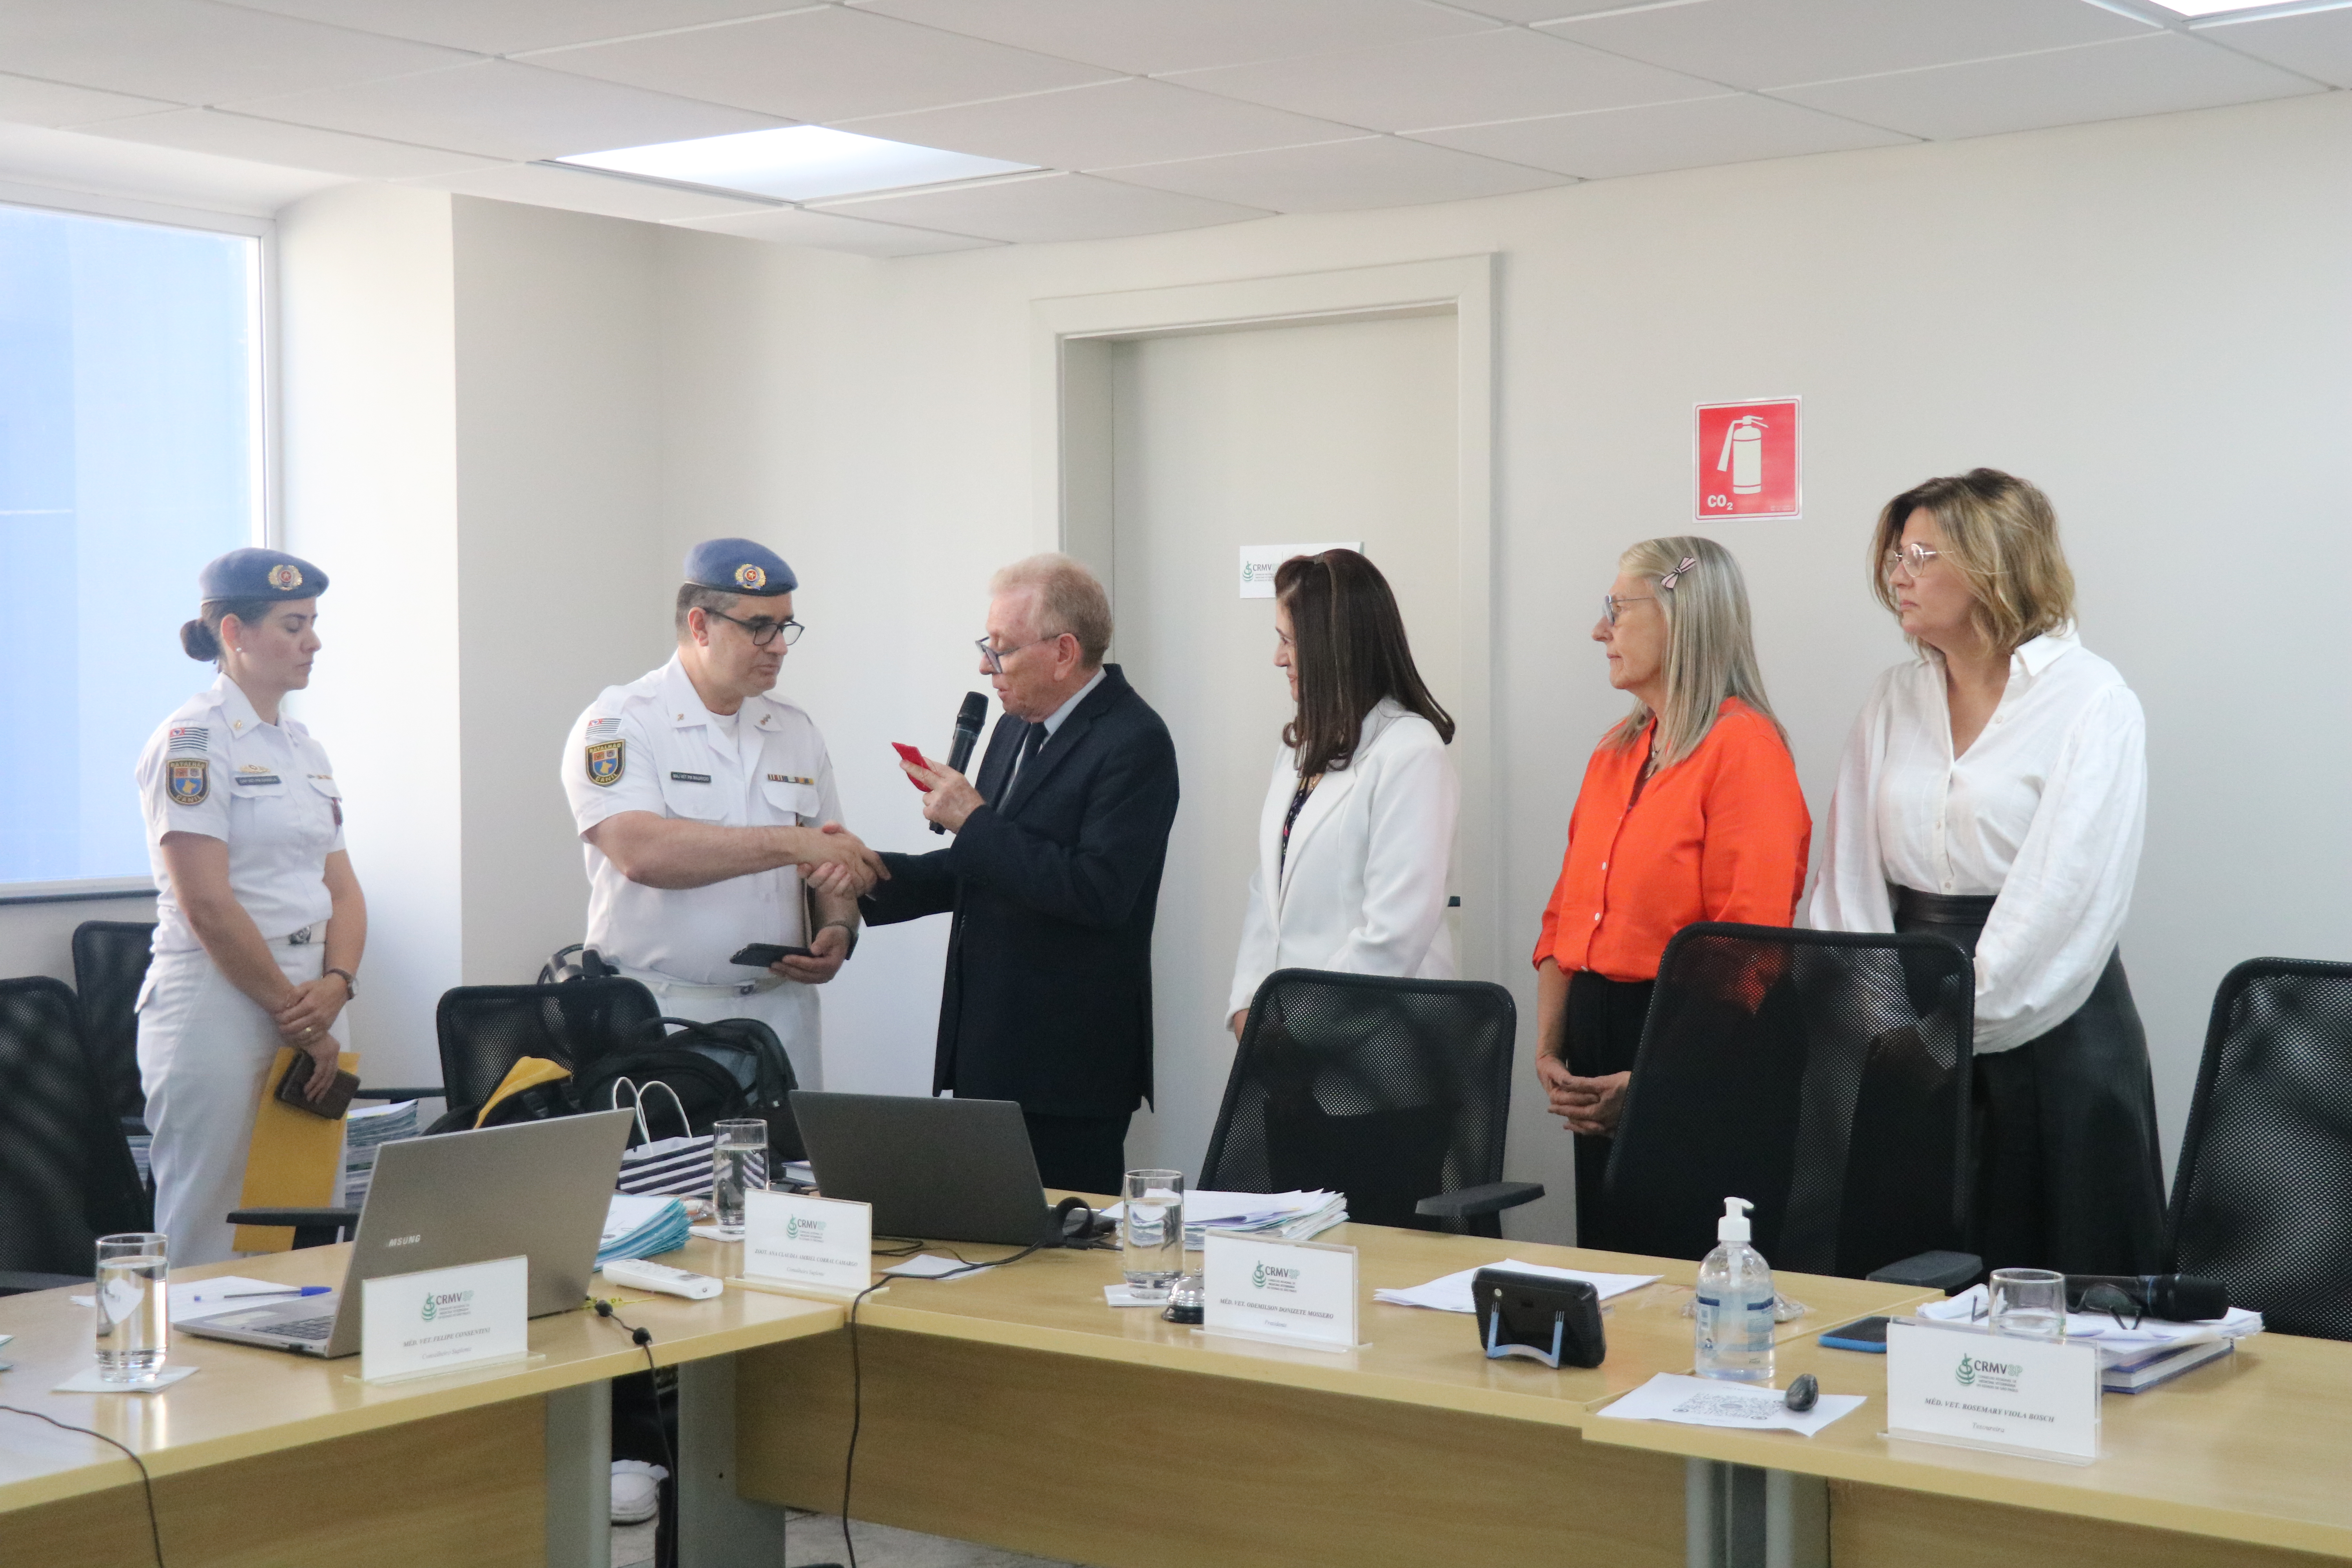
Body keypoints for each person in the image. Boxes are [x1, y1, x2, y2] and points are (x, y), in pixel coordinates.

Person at [1807, 469, 2164, 1275]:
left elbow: (2065, 896)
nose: (1898, 575)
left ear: (1997, 565)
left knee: (2055, 1296)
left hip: (2051, 1021)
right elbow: (1850, 879)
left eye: (1923, 555)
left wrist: (1951, 1029)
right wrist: (1881, 1013)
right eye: (1896, 555)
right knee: (1904, 1291)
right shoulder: (1893, 696)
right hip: (1904, 1018)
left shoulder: (2091, 699)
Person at [862, 554, 1180, 1194]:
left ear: (1063, 652)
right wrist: (871, 877)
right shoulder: (1014, 727)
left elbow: (1097, 892)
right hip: (986, 1053)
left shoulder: (1134, 741)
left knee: (1058, 1272)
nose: (986, 666)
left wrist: (974, 822)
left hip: (1067, 1072)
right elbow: (984, 869)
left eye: (1000, 649)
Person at [1531, 536, 1810, 1249]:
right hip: (1600, 1042)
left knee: (1685, 1285)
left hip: (1699, 1054)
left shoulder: (1744, 749)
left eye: (1617, 610)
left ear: (1679, 617)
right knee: (1614, 1274)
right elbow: (1566, 915)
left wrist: (1653, 1080)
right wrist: (1550, 1051)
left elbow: (1746, 955)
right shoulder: (1615, 751)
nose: (1601, 631)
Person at [560, 539, 885, 1093]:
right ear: (701, 625)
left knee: (793, 1179)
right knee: (667, 1179)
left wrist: (837, 924)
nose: (779, 646)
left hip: (781, 1018)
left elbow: (830, 850)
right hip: (664, 1015)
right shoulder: (619, 722)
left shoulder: (795, 729)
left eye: (786, 627)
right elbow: (640, 853)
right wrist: (792, 845)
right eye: (760, 626)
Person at [134, 548, 366, 1266]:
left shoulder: (304, 747)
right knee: (213, 1230)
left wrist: (337, 985)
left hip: (314, 996)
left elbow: (344, 890)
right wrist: (296, 1015)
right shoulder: (195, 742)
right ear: (234, 632)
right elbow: (207, 901)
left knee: (304, 1224)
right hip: (221, 999)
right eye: (294, 625)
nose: (314, 642)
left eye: (315, 624)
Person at [1226, 549, 1459, 1036]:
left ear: (1334, 646)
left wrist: (1297, 1026)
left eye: (1289, 641)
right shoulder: (1304, 747)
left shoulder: (1411, 752)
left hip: (1379, 1054)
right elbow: (1266, 888)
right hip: (1285, 1050)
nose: (1278, 658)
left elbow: (1394, 935)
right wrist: (1249, 1003)